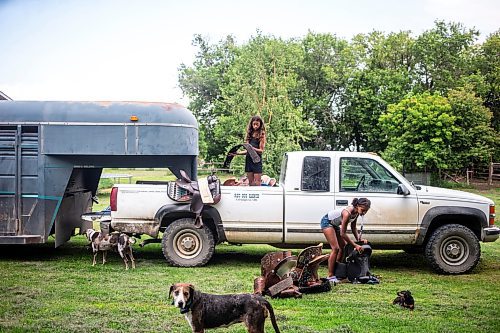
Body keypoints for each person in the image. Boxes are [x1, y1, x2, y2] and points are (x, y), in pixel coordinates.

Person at [320, 198, 371, 283]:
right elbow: (342, 233)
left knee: (343, 247)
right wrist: (355, 245)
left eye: (366, 211)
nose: (364, 213)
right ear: (357, 206)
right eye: (363, 210)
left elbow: (353, 228)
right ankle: (330, 275)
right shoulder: (347, 213)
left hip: (335, 225)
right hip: (327, 222)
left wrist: (359, 240)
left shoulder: (357, 213)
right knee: (335, 248)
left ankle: (337, 271)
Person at [233, 115, 266, 186]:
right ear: (251, 124)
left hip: (257, 160)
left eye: (257, 124)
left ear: (260, 125)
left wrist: (251, 148)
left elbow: (261, 150)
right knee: (251, 183)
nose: (255, 126)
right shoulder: (249, 134)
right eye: (254, 124)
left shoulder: (262, 134)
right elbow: (248, 151)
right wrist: (237, 153)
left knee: (257, 183)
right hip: (249, 160)